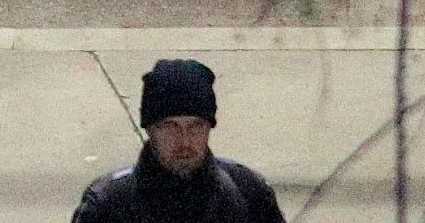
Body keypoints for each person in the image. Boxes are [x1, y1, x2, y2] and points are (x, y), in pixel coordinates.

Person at [65, 60, 285, 223]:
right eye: (170, 127)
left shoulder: (249, 192)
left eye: (196, 126)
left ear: (209, 127)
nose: (184, 140)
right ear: (150, 130)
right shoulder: (109, 204)